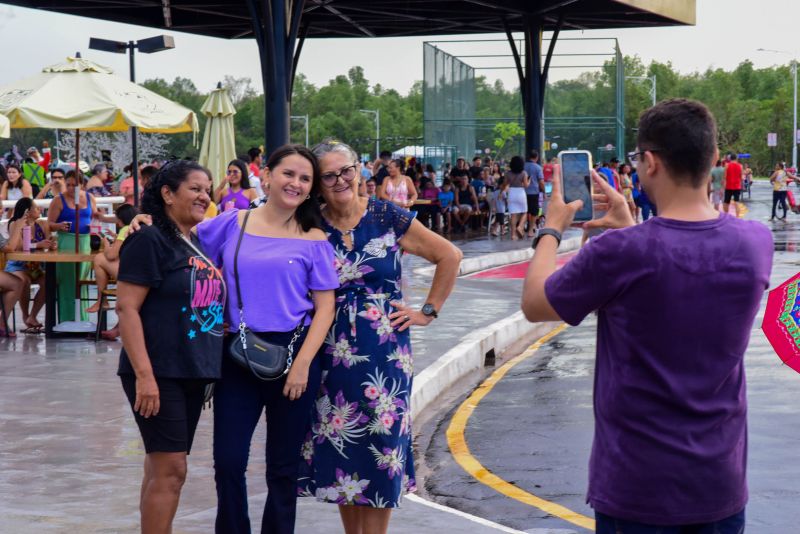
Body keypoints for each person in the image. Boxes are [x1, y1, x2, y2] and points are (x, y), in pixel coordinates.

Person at [521, 98, 772, 533]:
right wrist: (632, 226)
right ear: (712, 159)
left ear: (650, 162)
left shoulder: (620, 252)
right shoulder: (755, 242)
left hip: (637, 488)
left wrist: (551, 228)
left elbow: (535, 303)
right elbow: (681, 250)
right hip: (719, 483)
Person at [299, 139, 461, 534]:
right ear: (318, 183)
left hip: (384, 356)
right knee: (343, 450)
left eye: (347, 170)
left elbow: (449, 256)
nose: (340, 180)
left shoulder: (387, 216)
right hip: (329, 355)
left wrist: (427, 311)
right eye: (329, 175)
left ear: (361, 171)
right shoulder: (309, 224)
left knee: (382, 450)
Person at [193, 145, 339, 534]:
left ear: (310, 190)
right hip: (236, 355)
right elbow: (182, 246)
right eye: (288, 174)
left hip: (295, 356)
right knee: (227, 461)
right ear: (268, 175)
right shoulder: (231, 222)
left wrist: (303, 366)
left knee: (283, 467)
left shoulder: (314, 238)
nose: (295, 183)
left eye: (305, 178)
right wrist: (144, 219)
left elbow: (325, 308)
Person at [117, 160, 225, 534]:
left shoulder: (194, 240)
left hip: (191, 369)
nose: (204, 195)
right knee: (172, 469)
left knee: (159, 466)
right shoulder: (149, 238)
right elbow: (126, 308)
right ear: (167, 193)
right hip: (159, 371)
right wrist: (145, 377)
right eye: (195, 188)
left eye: (207, 189)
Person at [46, 169, 99, 322]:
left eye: (74, 185)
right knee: (67, 281)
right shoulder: (58, 200)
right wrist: (59, 226)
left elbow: (95, 217)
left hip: (85, 242)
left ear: (82, 185)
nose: (70, 188)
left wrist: (94, 226)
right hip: (66, 242)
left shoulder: (90, 198)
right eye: (67, 185)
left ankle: (82, 319)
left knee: (81, 281)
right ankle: (67, 320)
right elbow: (49, 224)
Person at [4, 198, 56, 334]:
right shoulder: (15, 224)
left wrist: (51, 244)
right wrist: (38, 245)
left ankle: (33, 316)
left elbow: (49, 240)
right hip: (17, 265)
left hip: (34, 266)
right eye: (36, 207)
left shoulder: (41, 224)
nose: (39, 209)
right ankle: (25, 315)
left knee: (49, 282)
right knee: (24, 281)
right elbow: (18, 246)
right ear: (27, 211)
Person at [86, 204, 138, 315]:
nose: (117, 222)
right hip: (139, 271)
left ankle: (102, 300)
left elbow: (111, 255)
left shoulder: (125, 229)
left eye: (118, 219)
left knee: (99, 258)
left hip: (131, 275)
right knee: (102, 259)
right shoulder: (137, 226)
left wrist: (105, 243)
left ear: (121, 219)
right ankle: (102, 300)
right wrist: (115, 237)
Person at [504, 155, 530, 240]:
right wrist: (529, 181)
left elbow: (505, 184)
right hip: (520, 193)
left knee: (513, 215)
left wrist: (501, 192)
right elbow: (526, 185)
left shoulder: (508, 173)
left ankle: (513, 235)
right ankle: (520, 226)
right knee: (524, 212)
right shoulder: (524, 173)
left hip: (512, 193)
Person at [524, 150, 544, 237]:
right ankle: (530, 230)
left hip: (523, 192)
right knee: (534, 212)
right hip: (534, 192)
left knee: (524, 211)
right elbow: (541, 182)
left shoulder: (523, 166)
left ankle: (521, 227)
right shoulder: (538, 168)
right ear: (536, 157)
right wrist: (544, 192)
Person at [723, 153, 743, 217]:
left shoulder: (727, 165)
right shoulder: (740, 166)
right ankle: (737, 217)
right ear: (736, 158)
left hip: (728, 186)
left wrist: (723, 186)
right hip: (737, 186)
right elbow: (741, 177)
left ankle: (726, 216)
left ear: (730, 158)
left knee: (726, 202)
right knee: (736, 202)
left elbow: (724, 177)